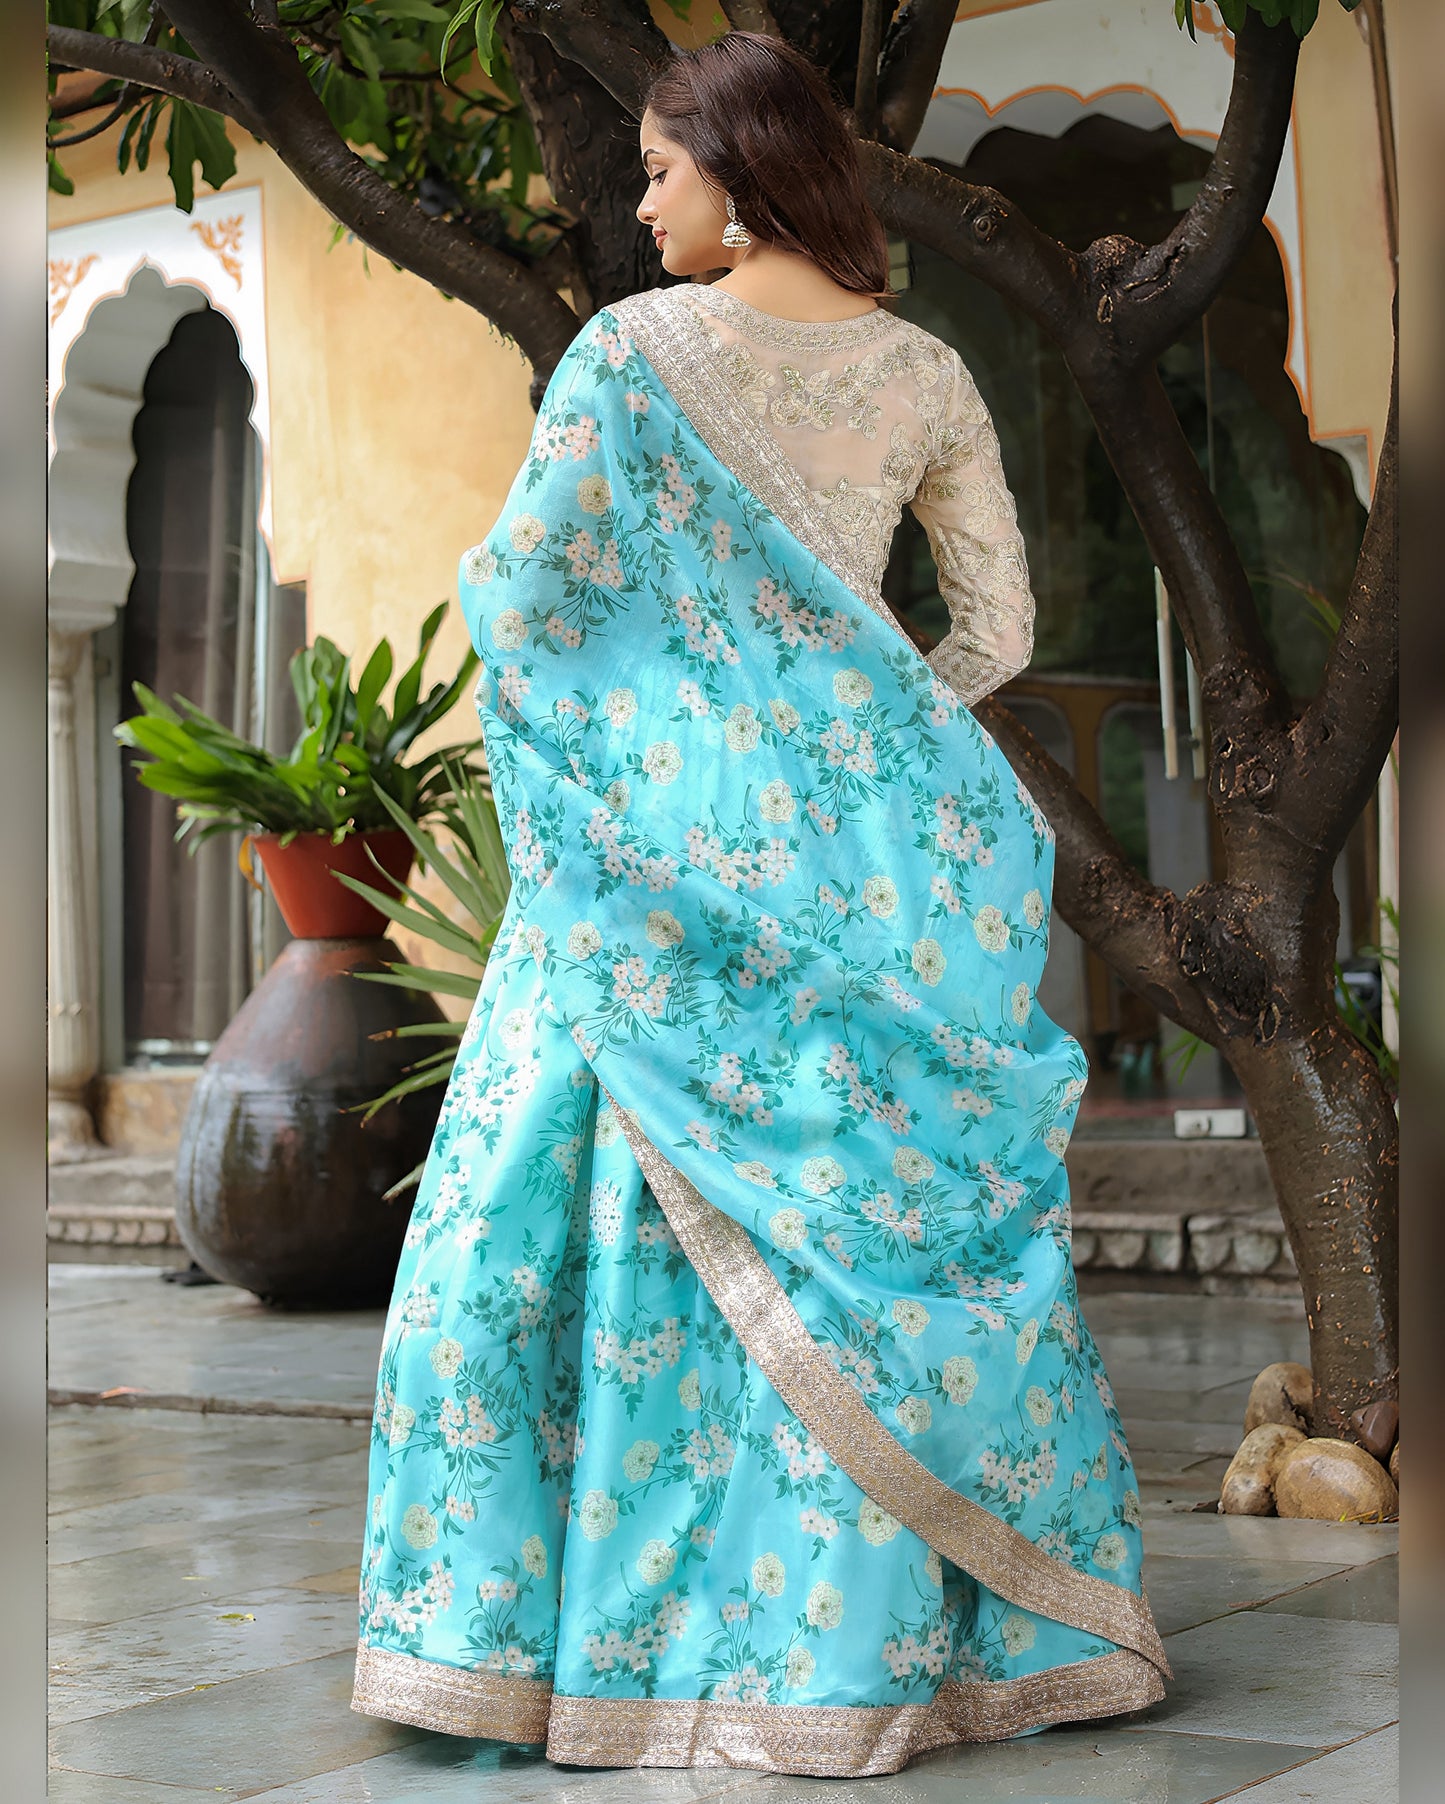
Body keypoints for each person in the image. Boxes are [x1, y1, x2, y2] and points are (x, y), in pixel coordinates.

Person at [350, 30, 1168, 1779]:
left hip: (657, 864)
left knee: (532, 1249)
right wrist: (856, 740)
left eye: (658, 168)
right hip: (868, 871)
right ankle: (867, 1653)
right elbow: (995, 636)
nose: (641, 204)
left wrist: (698, 734)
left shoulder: (628, 361)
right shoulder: (929, 371)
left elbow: (531, 604)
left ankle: (575, 1659)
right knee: (857, 1234)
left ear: (740, 162)